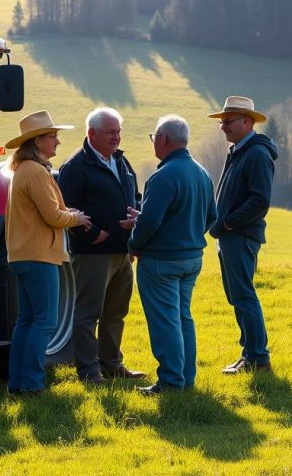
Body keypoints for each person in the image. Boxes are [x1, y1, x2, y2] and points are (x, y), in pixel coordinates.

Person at [5, 110, 92, 395]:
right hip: (40, 256)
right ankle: (32, 384)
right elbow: (53, 217)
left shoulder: (23, 170)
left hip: (22, 255)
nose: (57, 142)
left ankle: (18, 383)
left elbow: (47, 212)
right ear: (37, 141)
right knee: (44, 321)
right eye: (52, 136)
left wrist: (66, 213)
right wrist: (76, 218)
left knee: (27, 321)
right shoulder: (36, 172)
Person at [128, 115, 216, 395]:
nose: (154, 143)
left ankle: (170, 381)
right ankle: (185, 378)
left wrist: (134, 243)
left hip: (161, 261)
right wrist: (187, 235)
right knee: (182, 317)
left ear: (163, 140)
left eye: (154, 137)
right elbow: (211, 216)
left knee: (165, 320)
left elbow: (151, 222)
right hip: (192, 258)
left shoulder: (163, 176)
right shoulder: (202, 173)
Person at [58, 107, 146, 385]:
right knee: (88, 314)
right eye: (111, 132)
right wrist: (92, 233)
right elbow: (65, 209)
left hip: (123, 252)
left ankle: (111, 365)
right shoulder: (75, 167)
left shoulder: (121, 161)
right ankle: (88, 371)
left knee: (116, 312)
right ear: (91, 133)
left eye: (118, 132)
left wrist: (138, 218)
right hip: (93, 254)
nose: (116, 137)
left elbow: (137, 195)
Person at [206, 96, 278, 374]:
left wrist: (227, 224)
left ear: (247, 122)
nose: (223, 126)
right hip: (231, 235)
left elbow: (259, 201)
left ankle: (258, 357)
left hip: (239, 235)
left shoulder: (256, 154)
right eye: (222, 121)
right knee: (237, 294)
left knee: (243, 294)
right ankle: (250, 354)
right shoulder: (241, 150)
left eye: (228, 121)